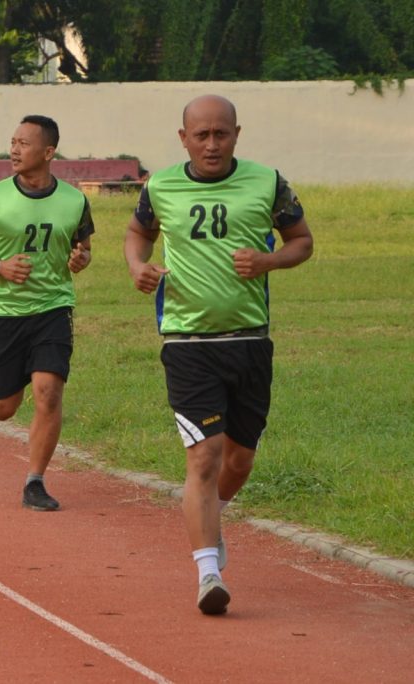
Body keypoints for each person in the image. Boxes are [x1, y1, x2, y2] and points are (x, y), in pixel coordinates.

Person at [123, 95, 313, 615]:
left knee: (240, 459)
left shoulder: (268, 182)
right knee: (204, 455)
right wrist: (137, 265)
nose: (212, 144)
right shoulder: (160, 186)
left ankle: (212, 514)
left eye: (221, 134)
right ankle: (208, 573)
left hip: (250, 341)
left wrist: (269, 260)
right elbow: (138, 232)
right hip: (188, 343)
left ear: (236, 134)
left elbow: (301, 241)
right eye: (201, 135)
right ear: (183, 138)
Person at [0, 115, 94, 512]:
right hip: (4, 310)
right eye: (13, 142)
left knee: (48, 392)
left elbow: (82, 248)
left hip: (53, 308)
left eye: (24, 144)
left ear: (48, 152)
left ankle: (35, 481)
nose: (14, 150)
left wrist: (81, 259)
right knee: (3, 409)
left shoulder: (75, 200)